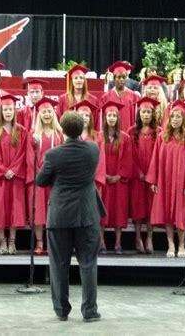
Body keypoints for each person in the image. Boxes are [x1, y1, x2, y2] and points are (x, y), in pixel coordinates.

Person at [36, 110, 106, 323]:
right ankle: (90, 311)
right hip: (87, 214)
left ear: (62, 129)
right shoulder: (93, 149)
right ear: (81, 129)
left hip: (60, 215)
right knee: (88, 263)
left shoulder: (53, 154)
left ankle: (61, 310)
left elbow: (41, 181)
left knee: (58, 264)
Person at [146, 101, 185, 258]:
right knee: (167, 212)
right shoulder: (162, 137)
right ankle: (170, 244)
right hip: (165, 180)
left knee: (180, 213)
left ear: (184, 119)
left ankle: (181, 245)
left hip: (182, 183)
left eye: (178, 116)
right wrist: (154, 181)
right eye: (173, 116)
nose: (175, 119)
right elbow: (155, 160)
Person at [0, 94, 27, 255]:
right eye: (5, 109)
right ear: (1, 111)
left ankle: (12, 241)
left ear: (14, 111)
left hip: (16, 177)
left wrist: (13, 170)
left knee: (15, 209)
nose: (8, 112)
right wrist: (3, 170)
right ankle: (2, 241)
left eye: (10, 109)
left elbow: (23, 154)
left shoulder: (21, 131)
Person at [26, 97, 63, 255]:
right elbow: (29, 157)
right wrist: (40, 172)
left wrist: (54, 173)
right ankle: (40, 242)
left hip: (55, 180)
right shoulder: (33, 134)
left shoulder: (60, 134)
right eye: (43, 112)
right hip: (38, 179)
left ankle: (52, 243)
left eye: (49, 111)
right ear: (39, 114)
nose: (46, 114)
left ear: (53, 114)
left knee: (54, 212)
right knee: (39, 212)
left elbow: (62, 155)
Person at [70, 100, 107, 253]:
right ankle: (75, 244)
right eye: (81, 115)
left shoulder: (97, 136)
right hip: (74, 184)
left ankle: (95, 242)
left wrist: (93, 178)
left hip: (92, 182)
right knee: (74, 214)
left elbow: (101, 159)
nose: (84, 117)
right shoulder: (70, 136)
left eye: (87, 115)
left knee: (92, 214)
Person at [99, 101, 132, 254]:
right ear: (104, 118)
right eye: (109, 115)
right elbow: (96, 159)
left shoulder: (125, 138)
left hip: (119, 181)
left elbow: (128, 159)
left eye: (114, 115)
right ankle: (101, 241)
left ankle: (118, 243)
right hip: (102, 180)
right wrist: (103, 174)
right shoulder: (98, 137)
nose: (111, 118)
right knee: (102, 211)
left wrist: (119, 176)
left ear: (118, 118)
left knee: (119, 211)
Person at [128, 97, 160, 254]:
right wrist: (139, 173)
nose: (146, 115)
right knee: (138, 208)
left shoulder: (159, 132)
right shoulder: (131, 132)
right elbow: (130, 156)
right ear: (138, 114)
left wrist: (152, 174)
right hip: (137, 177)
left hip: (153, 177)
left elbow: (159, 155)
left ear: (153, 114)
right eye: (143, 112)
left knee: (151, 208)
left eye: (148, 112)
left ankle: (149, 237)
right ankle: (138, 236)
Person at [100, 61, 139, 131]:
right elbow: (102, 118)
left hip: (129, 133)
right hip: (111, 133)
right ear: (114, 78)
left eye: (124, 77)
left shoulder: (134, 97)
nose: (121, 80)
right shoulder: (106, 97)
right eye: (118, 77)